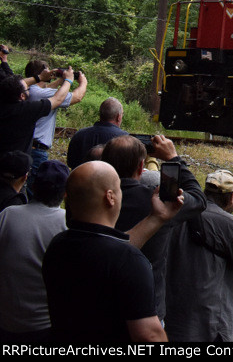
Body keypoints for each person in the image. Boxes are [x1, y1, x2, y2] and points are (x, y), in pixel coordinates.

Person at [42, 160, 181, 343]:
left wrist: (156, 218)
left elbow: (108, 250)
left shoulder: (57, 245)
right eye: (119, 190)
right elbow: (149, 335)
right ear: (110, 197)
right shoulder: (128, 261)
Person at [102, 133, 206, 322]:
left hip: (101, 306)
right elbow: (198, 199)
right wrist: (174, 159)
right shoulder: (159, 203)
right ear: (142, 167)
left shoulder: (94, 199)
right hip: (148, 309)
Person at [164, 168, 233, 342]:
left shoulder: (177, 213)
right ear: (232, 197)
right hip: (214, 326)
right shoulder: (230, 224)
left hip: (176, 320)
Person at [0, 160, 69, 342]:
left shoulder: (8, 215)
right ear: (66, 193)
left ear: (32, 185)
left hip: (5, 321)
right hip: (45, 325)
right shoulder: (67, 223)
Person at [23, 60, 87, 195]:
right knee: (34, 193)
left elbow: (45, 90)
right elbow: (77, 97)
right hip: (37, 151)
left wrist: (60, 80)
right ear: (42, 73)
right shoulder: (40, 94)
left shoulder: (29, 89)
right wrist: (80, 82)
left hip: (28, 147)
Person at [0, 68, 74, 158]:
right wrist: (68, 80)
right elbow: (57, 99)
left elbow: (11, 84)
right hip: (15, 163)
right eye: (28, 89)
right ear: (22, 96)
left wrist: (40, 77)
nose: (29, 91)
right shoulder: (27, 109)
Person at [66, 97, 128, 169]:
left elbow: (71, 163)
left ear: (101, 114)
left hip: (83, 178)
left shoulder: (79, 135)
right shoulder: (126, 139)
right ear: (118, 117)